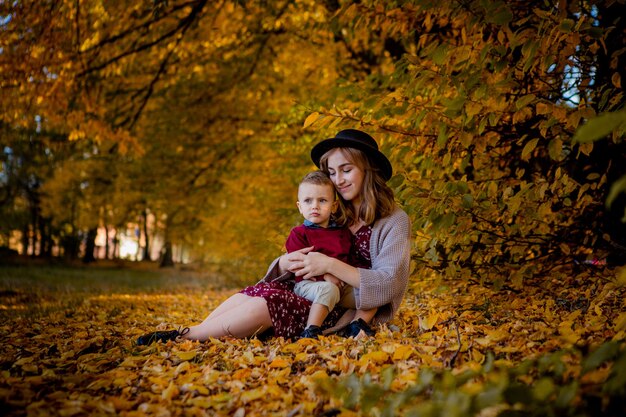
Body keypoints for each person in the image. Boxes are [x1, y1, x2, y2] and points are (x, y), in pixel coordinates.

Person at [136, 128, 411, 345]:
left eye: (347, 170)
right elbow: (302, 250)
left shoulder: (393, 221)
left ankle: (187, 338)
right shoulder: (331, 210)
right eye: (331, 172)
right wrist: (285, 263)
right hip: (310, 288)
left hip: (342, 308)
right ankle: (191, 331)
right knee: (258, 292)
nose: (338, 180)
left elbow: (389, 284)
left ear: (368, 170)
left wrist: (328, 266)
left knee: (268, 304)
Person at [287, 170, 376, 339]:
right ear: (300, 207)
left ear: (334, 206)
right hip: (309, 285)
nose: (315, 206)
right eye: (308, 201)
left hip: (342, 287)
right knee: (329, 289)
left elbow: (353, 260)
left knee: (373, 290)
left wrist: (364, 276)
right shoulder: (299, 234)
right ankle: (311, 330)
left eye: (322, 200)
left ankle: (358, 324)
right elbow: (297, 266)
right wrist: (326, 275)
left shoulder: (342, 233)